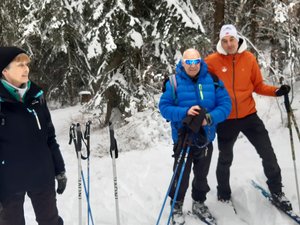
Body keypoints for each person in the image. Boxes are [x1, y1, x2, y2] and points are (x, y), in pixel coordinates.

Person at [205, 24, 292, 210]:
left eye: (231, 40)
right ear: (221, 42)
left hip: (249, 116)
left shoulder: (249, 58)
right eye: (225, 41)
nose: (229, 44)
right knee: (225, 158)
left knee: (268, 153)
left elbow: (258, 86)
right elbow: (193, 74)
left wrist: (277, 91)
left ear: (238, 39)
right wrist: (173, 82)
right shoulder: (212, 61)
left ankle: (277, 192)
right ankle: (223, 194)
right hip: (226, 118)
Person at [159, 48, 231, 224]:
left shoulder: (213, 80)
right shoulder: (173, 82)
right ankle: (176, 204)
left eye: (195, 61)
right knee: (181, 175)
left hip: (205, 137)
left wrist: (210, 118)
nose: (192, 66)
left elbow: (225, 105)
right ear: (182, 63)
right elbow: (164, 108)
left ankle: (199, 203)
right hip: (183, 140)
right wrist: (185, 112)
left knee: (201, 174)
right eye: (188, 62)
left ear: (200, 61)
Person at [0, 46, 67, 225]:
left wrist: (59, 168)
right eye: (19, 64)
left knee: (50, 221)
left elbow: (49, 136)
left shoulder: (36, 95)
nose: (26, 68)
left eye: (26, 64)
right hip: (9, 181)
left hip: (41, 174)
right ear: (4, 70)